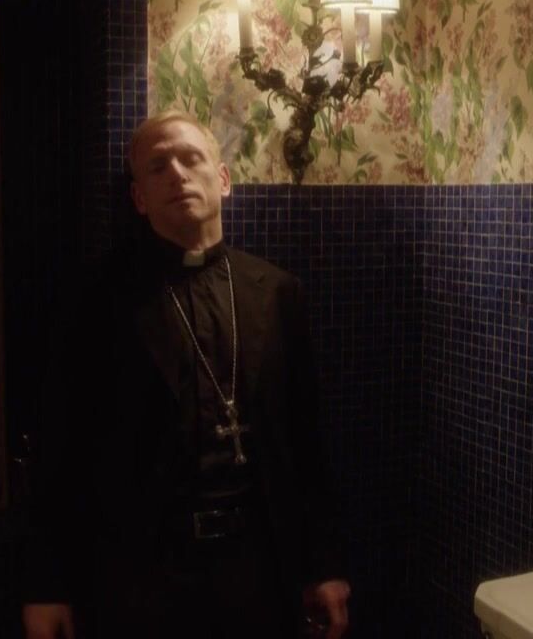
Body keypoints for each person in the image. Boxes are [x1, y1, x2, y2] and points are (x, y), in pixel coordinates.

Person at [21, 110, 351, 638]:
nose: (176, 173)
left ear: (223, 179)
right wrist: (47, 585)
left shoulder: (276, 292)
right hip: (144, 576)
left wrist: (323, 564)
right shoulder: (96, 299)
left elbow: (305, 439)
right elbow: (59, 446)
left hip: (258, 568)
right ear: (139, 198)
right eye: (157, 167)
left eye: (190, 158)